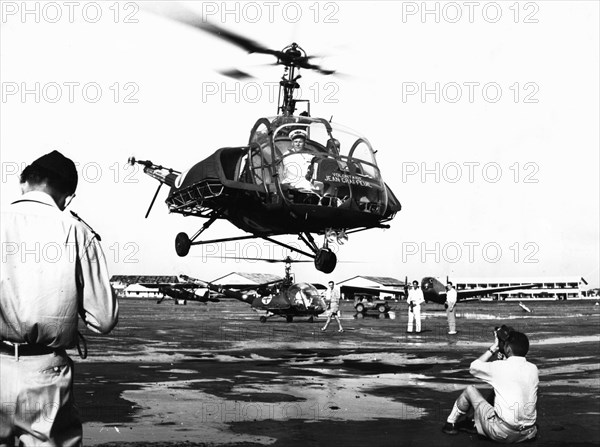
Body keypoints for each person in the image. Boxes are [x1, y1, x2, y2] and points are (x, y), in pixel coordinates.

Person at [1, 150, 119, 445]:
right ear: (67, 197)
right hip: (45, 373)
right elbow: (103, 320)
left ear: (23, 181)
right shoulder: (78, 232)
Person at [442, 329, 538, 443]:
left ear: (507, 349)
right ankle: (473, 420)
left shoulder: (500, 367)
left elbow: (473, 367)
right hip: (528, 433)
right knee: (500, 391)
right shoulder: (533, 369)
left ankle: (450, 424)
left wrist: (494, 347)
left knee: (470, 390)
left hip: (502, 433)